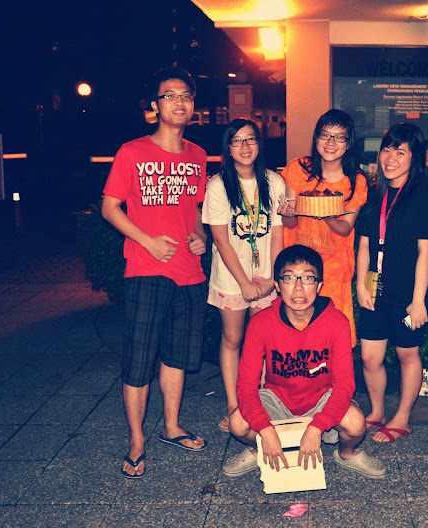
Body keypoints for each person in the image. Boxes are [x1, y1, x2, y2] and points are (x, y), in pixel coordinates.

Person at [102, 67, 208, 479]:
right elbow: (110, 207)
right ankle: (136, 441)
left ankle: (171, 426)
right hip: (146, 268)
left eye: (186, 96)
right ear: (155, 105)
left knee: (178, 356)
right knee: (139, 358)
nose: (179, 102)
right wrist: (146, 241)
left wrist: (200, 237)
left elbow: (195, 208)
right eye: (170, 95)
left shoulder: (198, 156)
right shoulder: (132, 152)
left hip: (189, 272)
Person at [222, 245, 386, 479]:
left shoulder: (337, 322)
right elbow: (246, 385)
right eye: (289, 278)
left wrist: (317, 427)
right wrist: (265, 429)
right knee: (238, 423)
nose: (298, 287)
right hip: (278, 398)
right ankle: (261, 448)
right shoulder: (261, 323)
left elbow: (345, 385)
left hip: (321, 397)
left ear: (319, 286)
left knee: (356, 423)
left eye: (308, 278)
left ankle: (347, 454)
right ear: (277, 285)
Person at [356, 123, 428, 443]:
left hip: (409, 294)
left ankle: (402, 418)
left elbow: (426, 252)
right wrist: (361, 285)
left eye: (400, 152)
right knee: (370, 357)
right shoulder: (375, 192)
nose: (390, 158)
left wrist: (418, 301)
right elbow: (365, 243)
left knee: (407, 354)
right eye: (387, 150)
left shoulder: (423, 196)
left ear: (414, 157)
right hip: (376, 290)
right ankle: (377, 411)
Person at [202, 118, 284, 433]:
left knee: (262, 343)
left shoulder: (273, 182)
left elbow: (277, 236)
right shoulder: (218, 185)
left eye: (250, 139)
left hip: (265, 279)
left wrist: (272, 278)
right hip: (231, 278)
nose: (244, 146)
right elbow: (220, 240)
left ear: (259, 144)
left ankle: (259, 402)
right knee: (233, 339)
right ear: (228, 148)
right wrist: (244, 284)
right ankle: (233, 404)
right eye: (236, 141)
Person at [278, 109, 367, 346]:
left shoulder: (355, 181)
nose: (331, 143)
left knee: (331, 337)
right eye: (325, 135)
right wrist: (288, 213)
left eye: (339, 137)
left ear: (349, 143)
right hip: (297, 267)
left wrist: (326, 215)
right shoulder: (297, 169)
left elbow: (346, 228)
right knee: (296, 336)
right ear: (316, 137)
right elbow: (290, 223)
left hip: (334, 270)